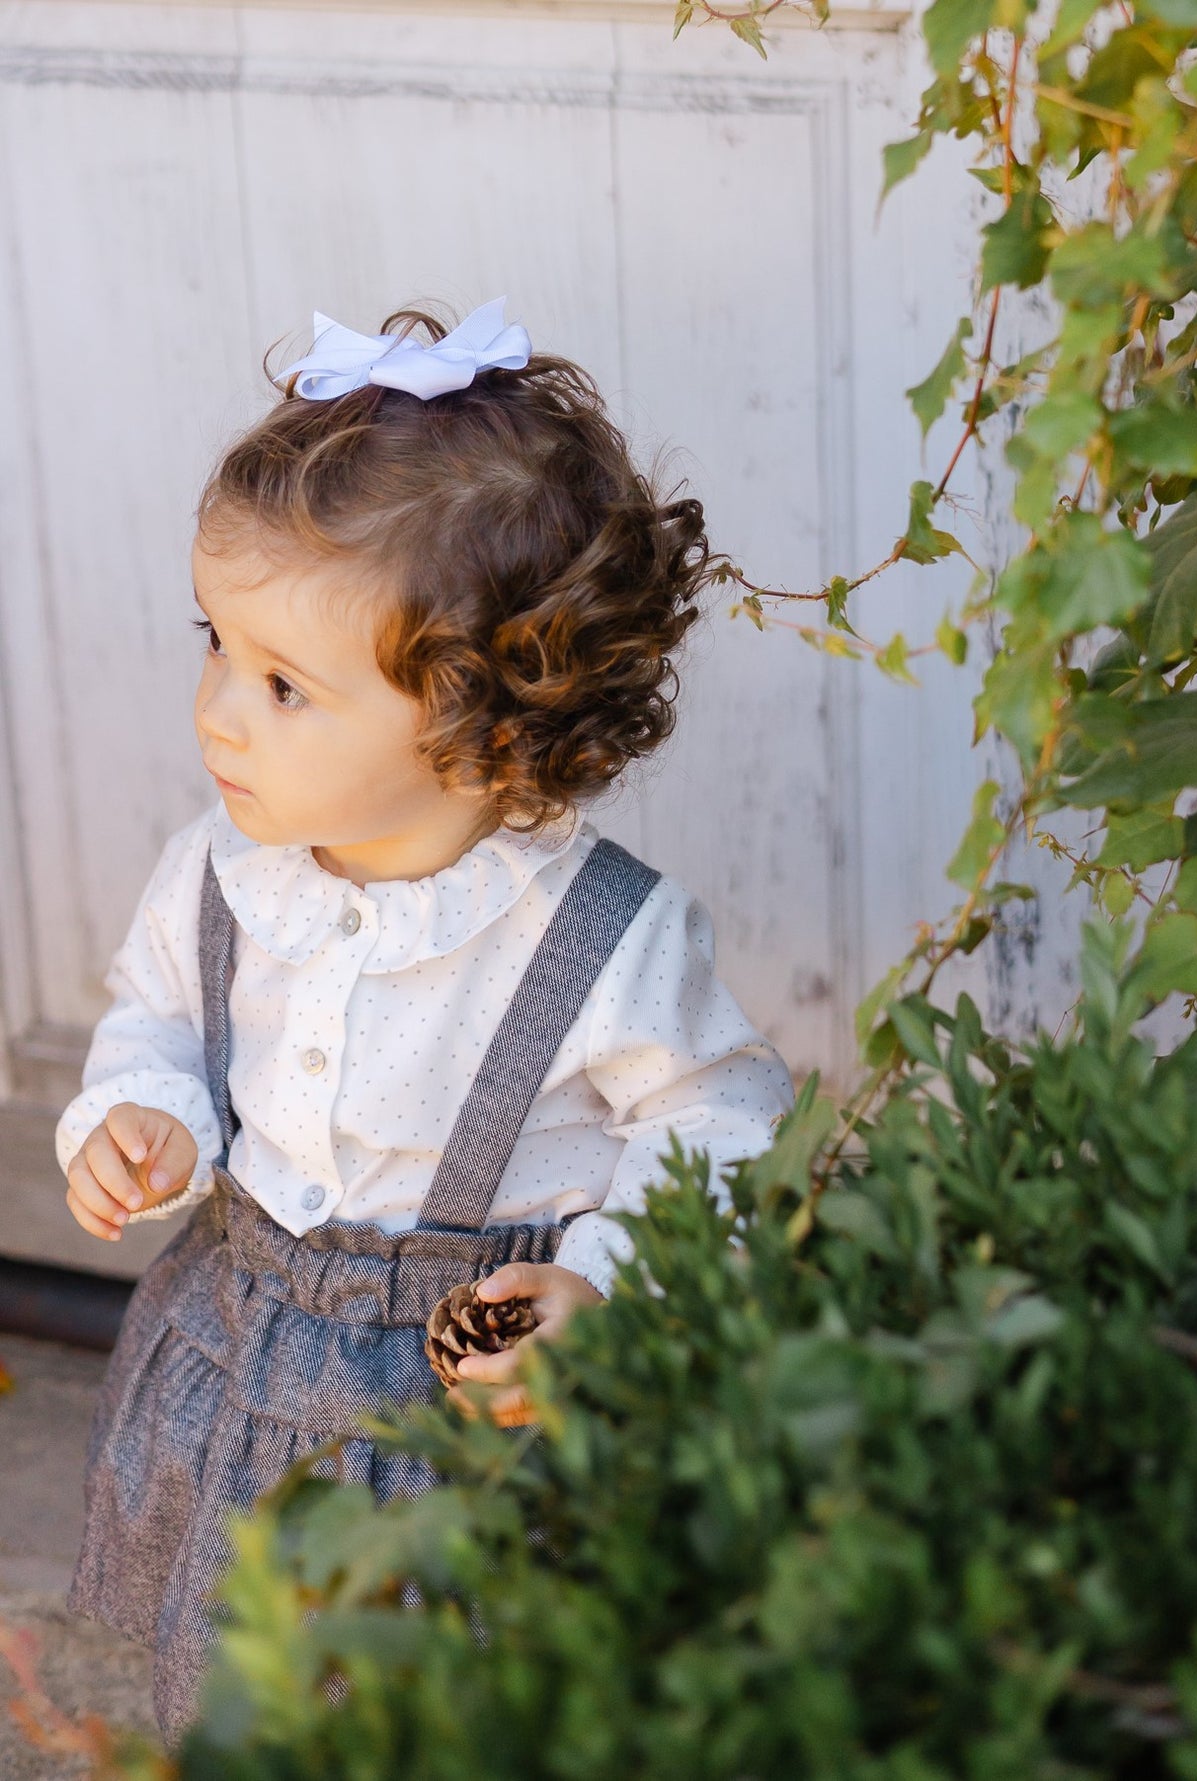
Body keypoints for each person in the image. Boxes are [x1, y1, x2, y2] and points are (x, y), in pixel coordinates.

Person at [53, 299, 795, 1739]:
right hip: (240, 1367)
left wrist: (605, 1283)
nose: (216, 711)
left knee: (462, 1714)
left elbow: (723, 1116)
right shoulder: (221, 871)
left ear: (481, 726)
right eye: (215, 642)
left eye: (282, 685)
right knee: (235, 1688)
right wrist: (139, 1111)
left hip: (469, 1419)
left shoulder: (594, 933)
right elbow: (157, 1017)